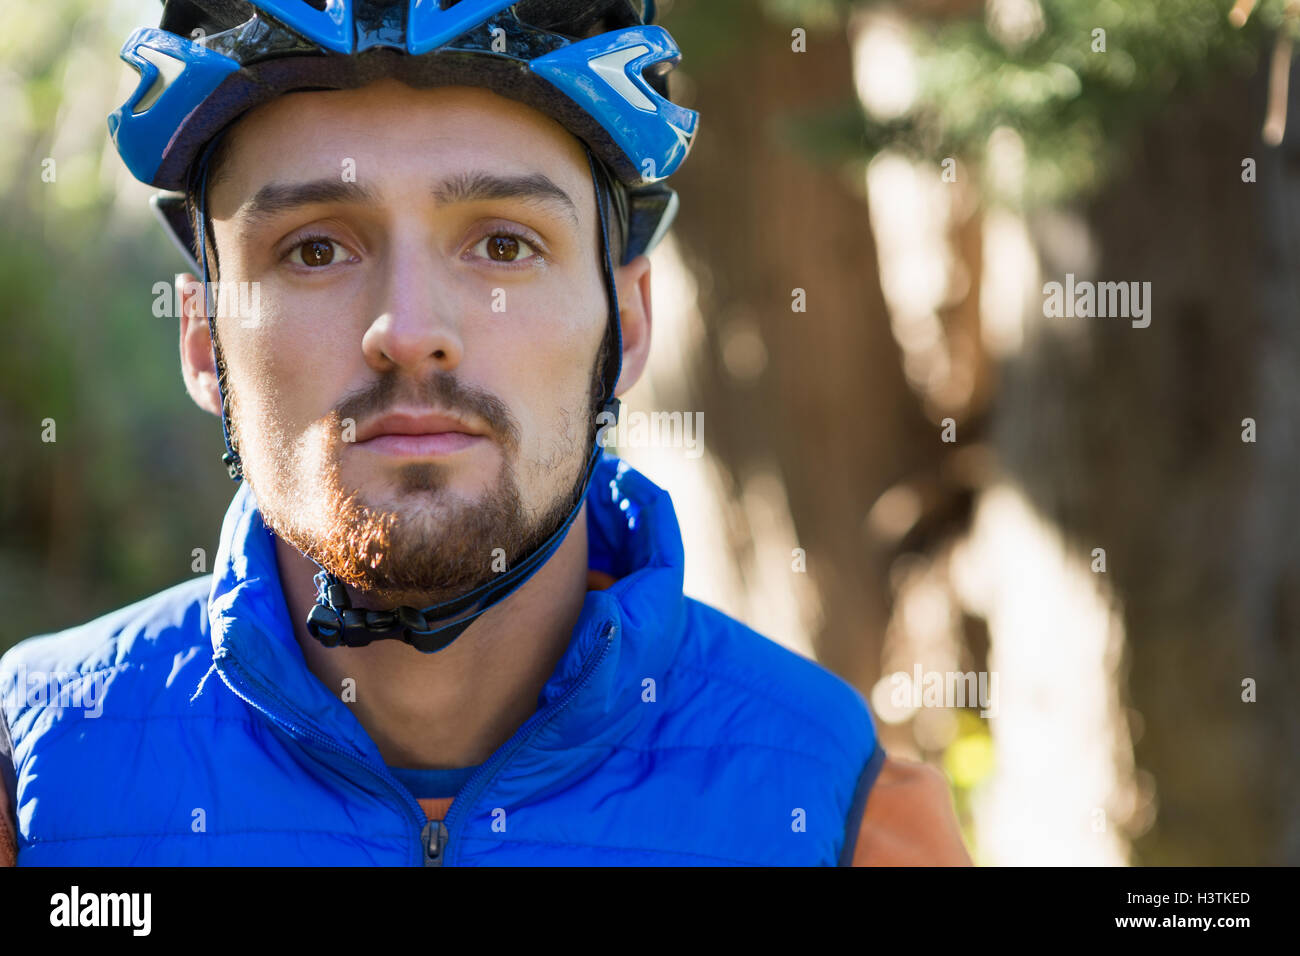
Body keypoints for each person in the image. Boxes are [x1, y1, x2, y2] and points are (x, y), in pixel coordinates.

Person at [0, 0, 971, 866]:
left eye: (503, 244)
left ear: (627, 325)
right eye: (315, 248)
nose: (409, 330)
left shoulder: (837, 807)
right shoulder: (31, 781)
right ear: (203, 337)